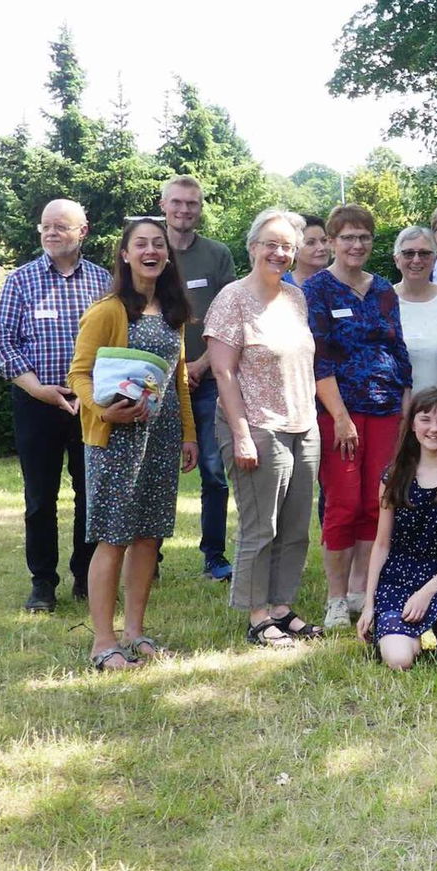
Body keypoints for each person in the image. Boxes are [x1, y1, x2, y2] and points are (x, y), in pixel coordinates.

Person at [67, 218, 198, 670]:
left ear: (167, 255)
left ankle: (135, 632)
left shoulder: (173, 312)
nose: (150, 250)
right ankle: (103, 642)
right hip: (116, 441)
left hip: (160, 441)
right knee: (113, 538)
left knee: (148, 539)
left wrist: (188, 434)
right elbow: (78, 374)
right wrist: (101, 411)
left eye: (158, 244)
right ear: (125, 254)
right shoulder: (107, 310)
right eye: (140, 243)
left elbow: (178, 380)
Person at [205, 209, 325, 646]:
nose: (279, 253)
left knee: (295, 528)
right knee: (262, 527)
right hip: (257, 425)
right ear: (253, 247)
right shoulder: (232, 299)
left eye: (287, 247)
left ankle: (281, 607)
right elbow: (224, 373)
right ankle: (257, 617)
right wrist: (240, 434)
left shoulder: (295, 298)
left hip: (302, 424)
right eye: (270, 244)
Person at [0, 198, 112, 612]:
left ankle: (86, 576)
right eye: (45, 226)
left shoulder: (103, 282)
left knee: (90, 494)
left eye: (60, 226)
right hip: (37, 403)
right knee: (40, 497)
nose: (50, 233)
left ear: (83, 231)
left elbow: (116, 345)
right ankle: (42, 583)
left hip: (91, 405)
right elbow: (5, 346)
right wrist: (38, 389)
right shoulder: (20, 281)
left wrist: (97, 392)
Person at [305, 203, 414, 631]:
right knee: (343, 503)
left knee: (377, 501)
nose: (356, 244)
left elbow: (398, 350)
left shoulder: (385, 290)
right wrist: (341, 416)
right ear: (331, 242)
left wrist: (406, 409)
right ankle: (335, 597)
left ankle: (359, 589)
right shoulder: (317, 290)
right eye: (347, 237)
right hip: (339, 414)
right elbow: (319, 359)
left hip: (387, 410)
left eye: (363, 237)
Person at [357, 387, 437, 670]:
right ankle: (402, 635)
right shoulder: (393, 477)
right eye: (425, 419)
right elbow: (381, 545)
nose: (434, 428)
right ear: (413, 424)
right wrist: (369, 604)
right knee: (399, 660)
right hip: (399, 579)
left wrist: (427, 592)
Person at [161, 174, 237, 582]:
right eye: (177, 202)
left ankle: (214, 556)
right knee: (151, 468)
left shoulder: (217, 254)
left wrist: (201, 365)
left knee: (213, 469)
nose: (184, 209)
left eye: (192, 203)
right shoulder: (149, 249)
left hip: (207, 378)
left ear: (200, 207)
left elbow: (229, 320)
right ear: (163, 206)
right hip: (156, 380)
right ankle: (147, 556)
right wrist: (173, 369)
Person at [393, 225, 437, 392]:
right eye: (408, 253)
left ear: (435, 259)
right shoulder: (382, 302)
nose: (416, 260)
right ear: (396, 260)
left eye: (424, 253)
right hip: (394, 411)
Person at [286, 215, 330, 287]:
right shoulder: (278, 284)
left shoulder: (342, 282)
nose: (321, 247)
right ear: (294, 248)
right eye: (311, 243)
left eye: (324, 240)